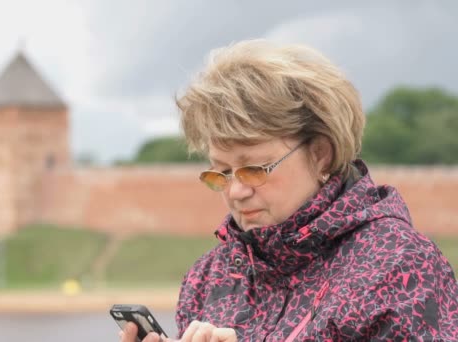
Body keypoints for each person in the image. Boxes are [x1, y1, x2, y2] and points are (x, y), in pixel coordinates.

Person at [120, 39, 458, 341]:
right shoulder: (210, 276)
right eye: (221, 172)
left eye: (254, 169)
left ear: (320, 154)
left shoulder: (400, 266)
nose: (236, 192)